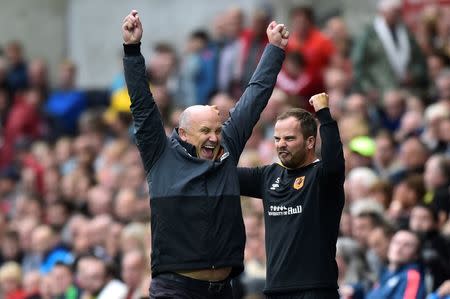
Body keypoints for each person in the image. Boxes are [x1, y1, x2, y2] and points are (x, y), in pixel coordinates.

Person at [121, 9, 288, 298]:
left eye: (217, 130)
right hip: (176, 290)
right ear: (183, 134)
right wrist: (132, 49)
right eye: (205, 132)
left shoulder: (227, 149)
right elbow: (141, 103)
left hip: (224, 290)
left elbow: (253, 98)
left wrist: (273, 50)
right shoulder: (160, 155)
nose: (214, 138)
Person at [238, 93, 345, 298]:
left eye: (289, 138)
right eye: (277, 139)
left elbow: (334, 162)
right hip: (275, 290)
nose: (281, 144)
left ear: (310, 142)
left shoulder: (323, 177)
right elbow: (222, 175)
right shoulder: (268, 176)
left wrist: (324, 114)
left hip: (316, 290)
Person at [366, 229, 426, 299]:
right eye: (396, 242)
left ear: (416, 255)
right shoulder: (385, 273)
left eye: (407, 245)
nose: (399, 248)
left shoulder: (412, 276)